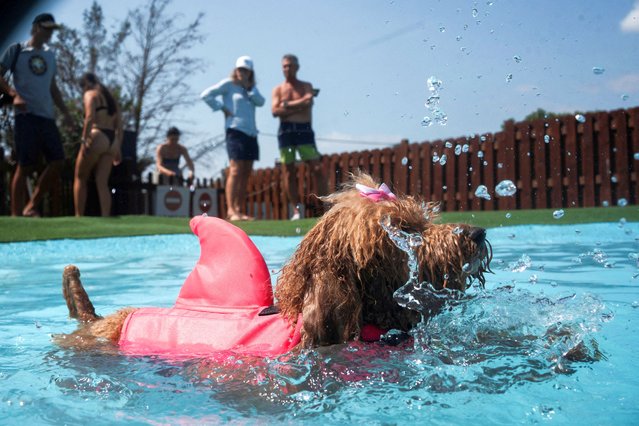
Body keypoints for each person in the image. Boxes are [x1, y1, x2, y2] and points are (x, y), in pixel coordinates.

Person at [0, 13, 73, 217]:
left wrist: (66, 113)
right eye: (46, 28)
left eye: (52, 29)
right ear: (35, 28)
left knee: (58, 161)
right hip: (25, 116)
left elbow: (53, 87)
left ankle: (31, 206)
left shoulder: (50, 55)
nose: (49, 33)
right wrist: (13, 94)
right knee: (24, 165)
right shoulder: (17, 50)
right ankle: (16, 216)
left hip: (47, 117)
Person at [200, 56, 265, 221]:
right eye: (240, 69)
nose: (242, 72)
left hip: (251, 133)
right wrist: (221, 107)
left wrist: (250, 89)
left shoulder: (252, 88)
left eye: (246, 70)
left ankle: (238, 209)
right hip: (235, 131)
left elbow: (261, 102)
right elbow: (206, 95)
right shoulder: (228, 85)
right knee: (235, 170)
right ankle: (230, 210)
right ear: (236, 70)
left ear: (250, 73)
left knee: (246, 172)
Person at [271, 54, 326, 220]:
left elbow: (308, 101)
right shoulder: (278, 89)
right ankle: (296, 210)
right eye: (284, 66)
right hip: (285, 131)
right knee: (288, 170)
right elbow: (275, 111)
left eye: (290, 66)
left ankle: (325, 206)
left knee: (316, 168)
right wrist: (298, 106)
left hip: (304, 130)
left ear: (297, 67)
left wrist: (286, 105)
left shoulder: (305, 86)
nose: (287, 69)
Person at [73, 72, 123, 217]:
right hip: (112, 140)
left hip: (97, 135)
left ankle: (78, 216)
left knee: (80, 177)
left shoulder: (91, 94)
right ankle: (105, 216)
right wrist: (118, 147)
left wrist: (84, 140)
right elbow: (119, 126)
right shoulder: (111, 99)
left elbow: (89, 117)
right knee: (102, 181)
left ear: (87, 83)